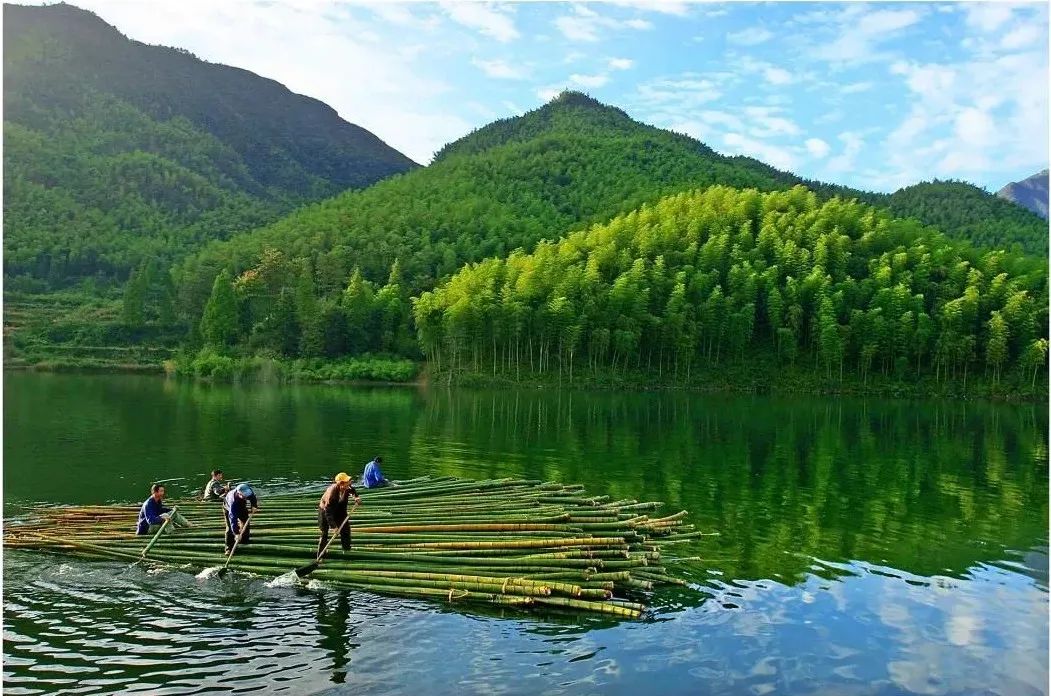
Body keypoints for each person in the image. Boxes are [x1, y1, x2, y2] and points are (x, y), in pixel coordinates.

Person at [318, 472, 361, 556]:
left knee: (345, 530)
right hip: (325, 511)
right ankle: (320, 555)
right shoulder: (332, 493)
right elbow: (328, 512)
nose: (349, 483)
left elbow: (352, 490)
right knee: (324, 533)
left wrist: (356, 497)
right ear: (341, 484)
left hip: (339, 509)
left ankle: (346, 551)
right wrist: (334, 527)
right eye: (347, 482)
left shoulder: (347, 487)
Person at [223, 483, 259, 554]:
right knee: (229, 529)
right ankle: (229, 548)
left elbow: (253, 497)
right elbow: (233, 520)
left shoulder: (248, 491)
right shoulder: (232, 501)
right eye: (244, 497)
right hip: (228, 509)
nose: (246, 498)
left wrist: (254, 506)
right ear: (239, 494)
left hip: (242, 507)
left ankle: (244, 541)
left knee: (245, 523)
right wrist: (236, 533)